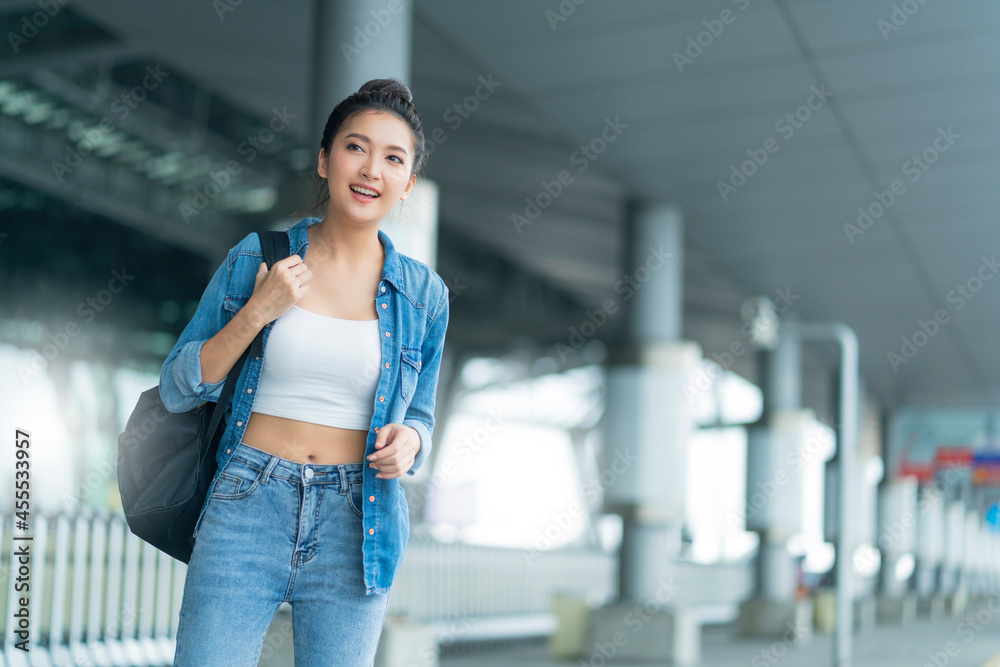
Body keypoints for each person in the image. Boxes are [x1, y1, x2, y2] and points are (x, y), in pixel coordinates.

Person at [159, 78, 450, 667]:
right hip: (247, 501)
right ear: (324, 160)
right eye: (355, 147)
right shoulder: (258, 257)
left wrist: (413, 439)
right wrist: (258, 312)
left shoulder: (424, 295)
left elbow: (418, 411)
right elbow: (177, 385)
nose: (371, 169)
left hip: (358, 519)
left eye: (393, 158)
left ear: (408, 183)